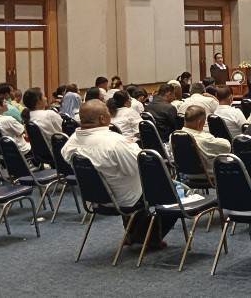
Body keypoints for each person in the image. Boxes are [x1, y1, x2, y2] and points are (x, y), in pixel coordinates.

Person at [62, 100, 178, 249]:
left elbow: (67, 156)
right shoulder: (114, 142)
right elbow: (140, 168)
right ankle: (148, 237)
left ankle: (134, 233)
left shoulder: (72, 141)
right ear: (102, 118)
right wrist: (131, 146)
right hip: (125, 198)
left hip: (96, 197)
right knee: (171, 192)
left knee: (127, 182)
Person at [176, 106, 230, 177]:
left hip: (184, 176)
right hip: (208, 176)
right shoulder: (205, 139)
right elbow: (227, 147)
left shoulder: (174, 136)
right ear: (199, 123)